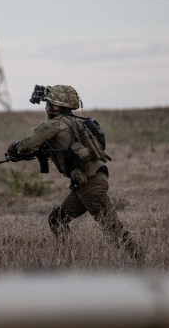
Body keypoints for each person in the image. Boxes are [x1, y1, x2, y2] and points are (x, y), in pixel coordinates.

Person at [7, 85, 142, 259]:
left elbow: (27, 144)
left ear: (56, 107)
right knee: (57, 219)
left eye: (48, 103)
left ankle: (141, 259)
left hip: (90, 183)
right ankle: (67, 258)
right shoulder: (76, 122)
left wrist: (13, 147)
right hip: (86, 180)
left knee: (112, 229)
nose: (46, 106)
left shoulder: (54, 125)